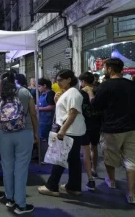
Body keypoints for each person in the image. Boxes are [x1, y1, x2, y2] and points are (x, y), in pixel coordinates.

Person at [83, 58, 135, 204]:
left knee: (109, 157)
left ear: (110, 69)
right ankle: (131, 194)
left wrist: (90, 92)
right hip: (131, 128)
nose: (103, 69)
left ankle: (111, 181)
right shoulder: (131, 84)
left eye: (104, 67)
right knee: (131, 161)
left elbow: (96, 105)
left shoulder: (106, 86)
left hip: (112, 128)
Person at [0, 71, 38, 214]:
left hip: (5, 135)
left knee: (7, 167)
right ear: (15, 79)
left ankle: (10, 199)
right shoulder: (25, 92)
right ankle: (21, 205)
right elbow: (33, 114)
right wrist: (36, 132)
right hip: (25, 133)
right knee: (21, 168)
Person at [38, 69, 86, 197]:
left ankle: (52, 186)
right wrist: (56, 100)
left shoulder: (73, 93)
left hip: (69, 131)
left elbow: (73, 113)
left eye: (60, 80)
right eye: (57, 80)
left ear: (69, 79)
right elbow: (64, 111)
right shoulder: (68, 92)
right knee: (73, 159)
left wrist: (63, 130)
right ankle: (73, 186)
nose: (57, 83)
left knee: (60, 158)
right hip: (71, 131)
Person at [79, 72, 102, 192]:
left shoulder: (80, 92)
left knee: (85, 149)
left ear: (83, 81)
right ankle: (94, 170)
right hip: (97, 124)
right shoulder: (98, 91)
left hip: (84, 124)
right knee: (94, 147)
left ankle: (90, 177)